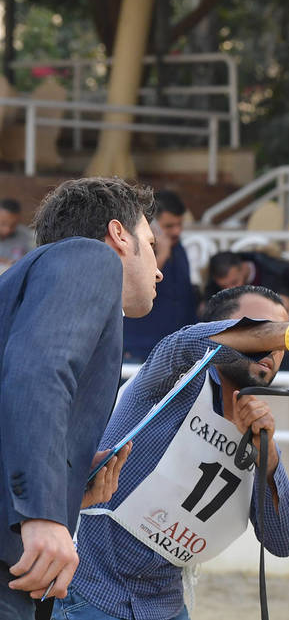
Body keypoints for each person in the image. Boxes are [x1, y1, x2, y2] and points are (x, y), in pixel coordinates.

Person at [56, 285, 289, 620]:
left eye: (278, 337)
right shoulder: (172, 377)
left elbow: (285, 541)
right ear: (223, 332)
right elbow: (186, 343)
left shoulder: (257, 430)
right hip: (90, 594)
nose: (273, 345)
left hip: (167, 606)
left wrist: (269, 459)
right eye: (261, 330)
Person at [0, 177, 161, 618]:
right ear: (118, 235)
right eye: (150, 244)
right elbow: (38, 374)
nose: (158, 268)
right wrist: (44, 513)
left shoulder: (34, 282)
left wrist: (69, 485)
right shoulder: (89, 258)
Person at [123, 191, 197, 362]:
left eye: (180, 224)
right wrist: (161, 254)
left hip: (174, 348)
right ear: (151, 224)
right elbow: (137, 286)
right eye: (169, 226)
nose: (177, 231)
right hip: (139, 348)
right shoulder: (135, 250)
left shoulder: (178, 248)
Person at [205, 250, 289, 323]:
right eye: (224, 286)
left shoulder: (278, 270)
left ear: (243, 266)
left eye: (235, 282)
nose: (231, 289)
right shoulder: (213, 287)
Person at [0, 199, 34, 272]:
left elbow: (31, 259)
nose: (8, 229)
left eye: (13, 225)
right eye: (3, 223)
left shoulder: (25, 235)